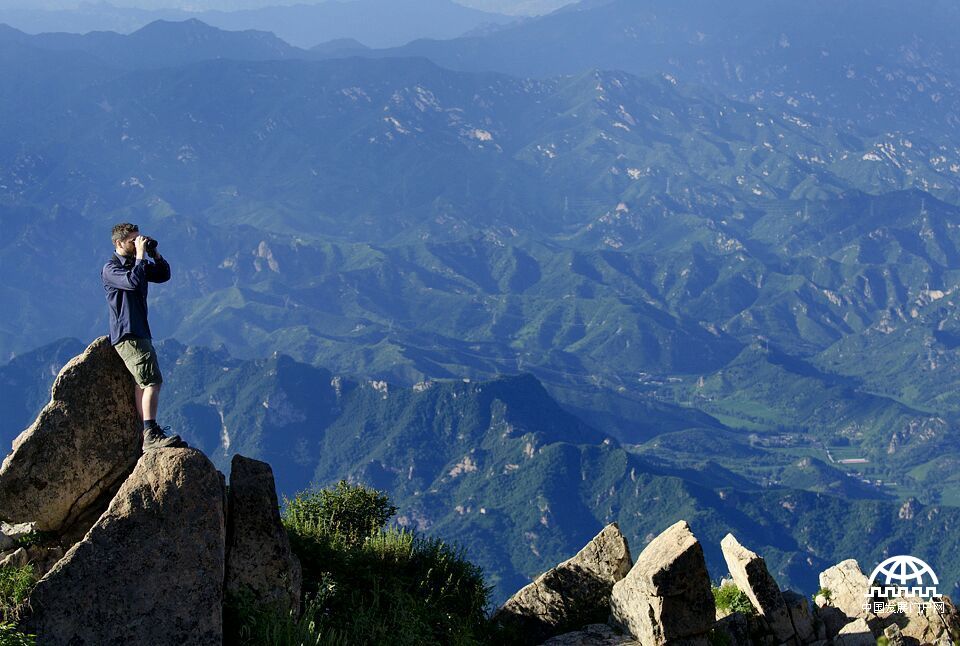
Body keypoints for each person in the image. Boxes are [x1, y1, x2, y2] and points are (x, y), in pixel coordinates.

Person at [102, 223, 187, 451]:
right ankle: (150, 433)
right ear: (119, 243)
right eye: (133, 240)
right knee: (152, 381)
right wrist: (140, 256)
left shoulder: (134, 264)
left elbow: (163, 275)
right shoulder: (111, 268)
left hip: (140, 330)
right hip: (128, 333)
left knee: (143, 383)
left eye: (138, 239)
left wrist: (153, 253)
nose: (137, 242)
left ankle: (146, 430)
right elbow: (133, 282)